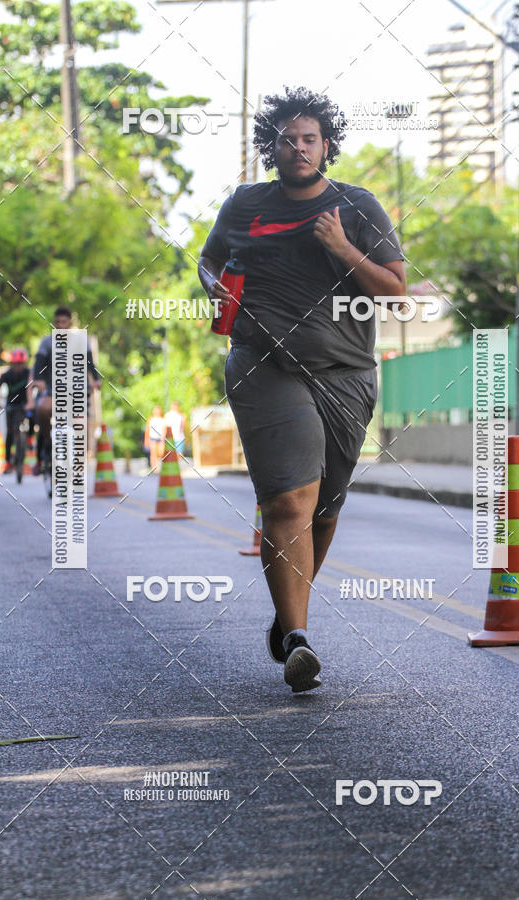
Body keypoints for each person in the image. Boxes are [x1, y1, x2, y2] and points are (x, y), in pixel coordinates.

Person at [198, 86, 406, 693]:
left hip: (346, 376)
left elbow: (395, 292)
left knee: (323, 508)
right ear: (272, 145)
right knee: (287, 502)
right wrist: (213, 283)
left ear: (326, 145)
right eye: (286, 139)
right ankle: (298, 641)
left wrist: (342, 248)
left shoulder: (358, 207)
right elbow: (209, 260)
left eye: (308, 138)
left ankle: (290, 607)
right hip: (265, 367)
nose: (297, 148)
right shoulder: (244, 205)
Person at [29, 306, 101, 474]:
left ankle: (78, 459)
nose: (60, 325)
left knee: (81, 422)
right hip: (53, 389)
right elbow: (38, 364)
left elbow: (90, 363)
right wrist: (38, 381)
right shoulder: (47, 343)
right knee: (43, 409)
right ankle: (48, 441)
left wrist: (96, 381)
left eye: (63, 322)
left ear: (70, 323)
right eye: (57, 322)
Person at [0, 349, 34, 473]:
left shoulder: (28, 373)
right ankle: (8, 462)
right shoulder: (7, 374)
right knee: (10, 433)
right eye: (16, 364)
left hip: (24, 405)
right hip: (11, 405)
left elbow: (34, 385)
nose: (18, 367)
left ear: (24, 363)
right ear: (12, 364)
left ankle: (29, 441)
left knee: (33, 419)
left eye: (20, 364)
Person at [143, 406, 166, 470]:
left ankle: (158, 466)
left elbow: (164, 430)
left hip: (160, 439)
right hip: (152, 438)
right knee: (153, 453)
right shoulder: (150, 419)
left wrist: (163, 439)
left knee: (161, 453)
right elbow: (147, 430)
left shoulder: (162, 419)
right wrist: (146, 440)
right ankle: (155, 467)